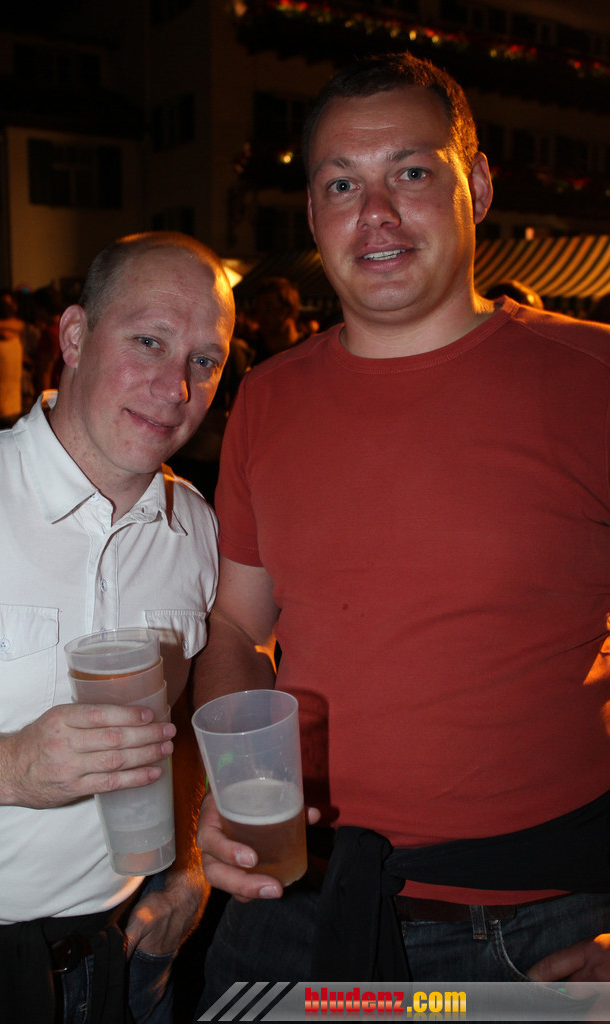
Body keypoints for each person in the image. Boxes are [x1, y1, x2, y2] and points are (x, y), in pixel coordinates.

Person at [192, 52, 610, 1010]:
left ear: (478, 187)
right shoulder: (267, 398)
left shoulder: (590, 379)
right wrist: (232, 784)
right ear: (311, 215)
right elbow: (234, 626)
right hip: (295, 904)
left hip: (540, 918)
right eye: (341, 184)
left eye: (411, 172)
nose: (374, 212)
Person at [0, 230, 235, 1024]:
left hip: (125, 958)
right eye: (148, 341)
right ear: (72, 337)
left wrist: (188, 869)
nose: (175, 386)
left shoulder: (196, 529)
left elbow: (179, 722)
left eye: (204, 359)